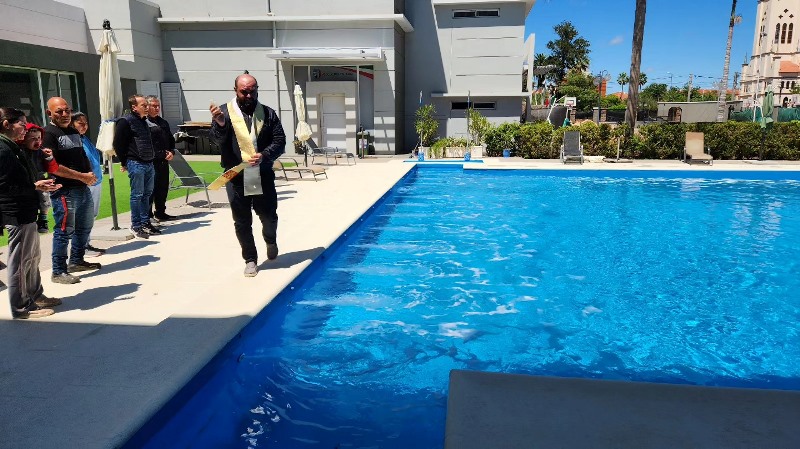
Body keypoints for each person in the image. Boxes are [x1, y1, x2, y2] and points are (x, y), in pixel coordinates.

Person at [210, 73, 286, 277]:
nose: (249, 95)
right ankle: (250, 259)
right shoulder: (223, 113)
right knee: (242, 221)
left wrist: (265, 155)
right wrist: (220, 125)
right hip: (236, 176)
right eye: (244, 92)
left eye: (253, 91)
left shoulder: (268, 113)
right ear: (235, 90)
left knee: (269, 217)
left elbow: (280, 141)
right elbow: (215, 142)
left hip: (262, 173)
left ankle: (270, 240)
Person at [0, 107, 62, 318]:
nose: (25, 128)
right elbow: (5, 186)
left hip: (26, 210)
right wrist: (36, 185)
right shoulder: (3, 149)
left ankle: (36, 295)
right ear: (6, 124)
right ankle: (21, 308)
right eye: (21, 123)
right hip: (16, 212)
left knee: (32, 258)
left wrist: (39, 184)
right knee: (20, 262)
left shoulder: (12, 147)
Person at [43, 97, 101, 284]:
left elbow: (81, 155)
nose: (65, 114)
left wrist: (88, 175)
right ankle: (58, 271)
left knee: (84, 226)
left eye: (67, 110)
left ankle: (77, 260)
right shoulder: (48, 134)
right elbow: (52, 166)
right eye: (59, 111)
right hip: (64, 191)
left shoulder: (73, 131)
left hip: (82, 188)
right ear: (49, 113)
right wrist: (82, 176)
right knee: (64, 231)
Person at [113, 94, 160, 239]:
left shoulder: (144, 121)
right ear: (134, 107)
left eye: (147, 105)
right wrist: (124, 162)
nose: (147, 108)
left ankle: (145, 222)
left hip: (148, 162)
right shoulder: (125, 121)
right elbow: (118, 144)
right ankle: (136, 225)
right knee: (137, 195)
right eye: (143, 105)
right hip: (136, 162)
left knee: (147, 194)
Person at [71, 112, 106, 256]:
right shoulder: (73, 140)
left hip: (95, 181)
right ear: (72, 124)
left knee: (92, 215)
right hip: (85, 183)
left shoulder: (84, 138)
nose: (84, 126)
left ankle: (86, 243)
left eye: (86, 123)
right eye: (80, 123)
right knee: (82, 216)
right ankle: (81, 248)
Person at [16, 123, 52, 234]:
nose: (37, 141)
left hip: (39, 177)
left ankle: (43, 218)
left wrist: (50, 158)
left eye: (39, 138)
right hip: (27, 180)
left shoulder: (41, 151)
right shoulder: (20, 151)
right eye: (33, 139)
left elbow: (52, 167)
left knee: (44, 196)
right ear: (24, 139)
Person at [145, 96, 177, 222]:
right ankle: (148, 216)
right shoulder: (144, 123)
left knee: (162, 188)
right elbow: (147, 144)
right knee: (150, 189)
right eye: (154, 106)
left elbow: (171, 140)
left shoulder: (163, 122)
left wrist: (172, 152)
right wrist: (161, 153)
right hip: (151, 161)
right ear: (147, 106)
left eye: (158, 105)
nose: (157, 108)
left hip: (164, 160)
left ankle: (160, 212)